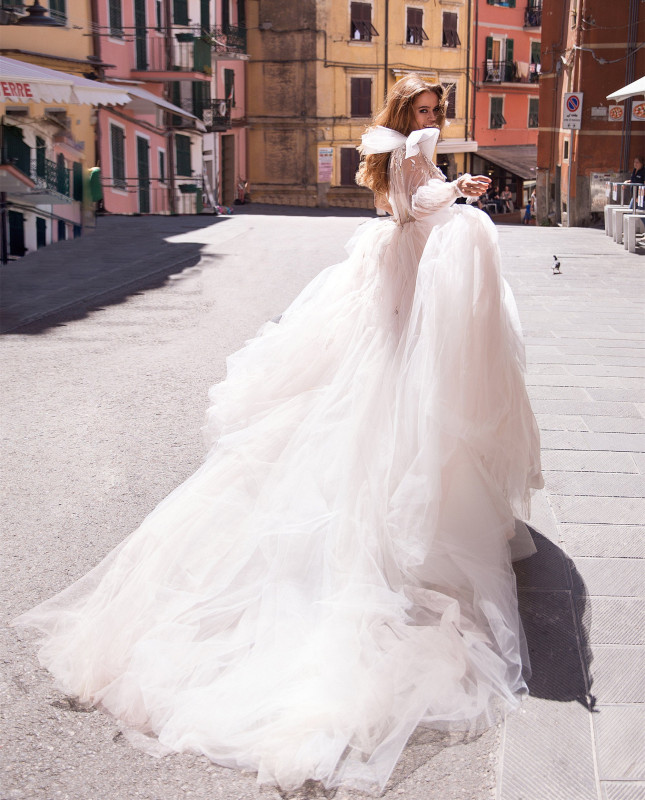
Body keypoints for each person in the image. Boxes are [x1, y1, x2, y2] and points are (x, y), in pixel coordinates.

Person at [13, 75, 543, 794]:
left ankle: (414, 503)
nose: (431, 117)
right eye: (423, 108)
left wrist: (455, 188)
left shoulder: (408, 144)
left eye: (435, 109)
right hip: (400, 278)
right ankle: (388, 522)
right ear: (402, 111)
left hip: (411, 272)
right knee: (380, 398)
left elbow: (417, 198)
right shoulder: (400, 147)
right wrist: (454, 192)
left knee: (398, 397)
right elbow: (407, 206)